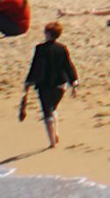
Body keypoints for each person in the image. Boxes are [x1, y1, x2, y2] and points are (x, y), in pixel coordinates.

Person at [23, 20, 77, 148]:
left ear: (47, 34)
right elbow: (68, 66)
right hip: (60, 84)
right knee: (53, 109)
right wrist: (74, 81)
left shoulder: (40, 49)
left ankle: (52, 141)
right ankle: (55, 132)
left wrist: (28, 82)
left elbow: (34, 67)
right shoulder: (62, 48)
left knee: (47, 112)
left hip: (44, 84)